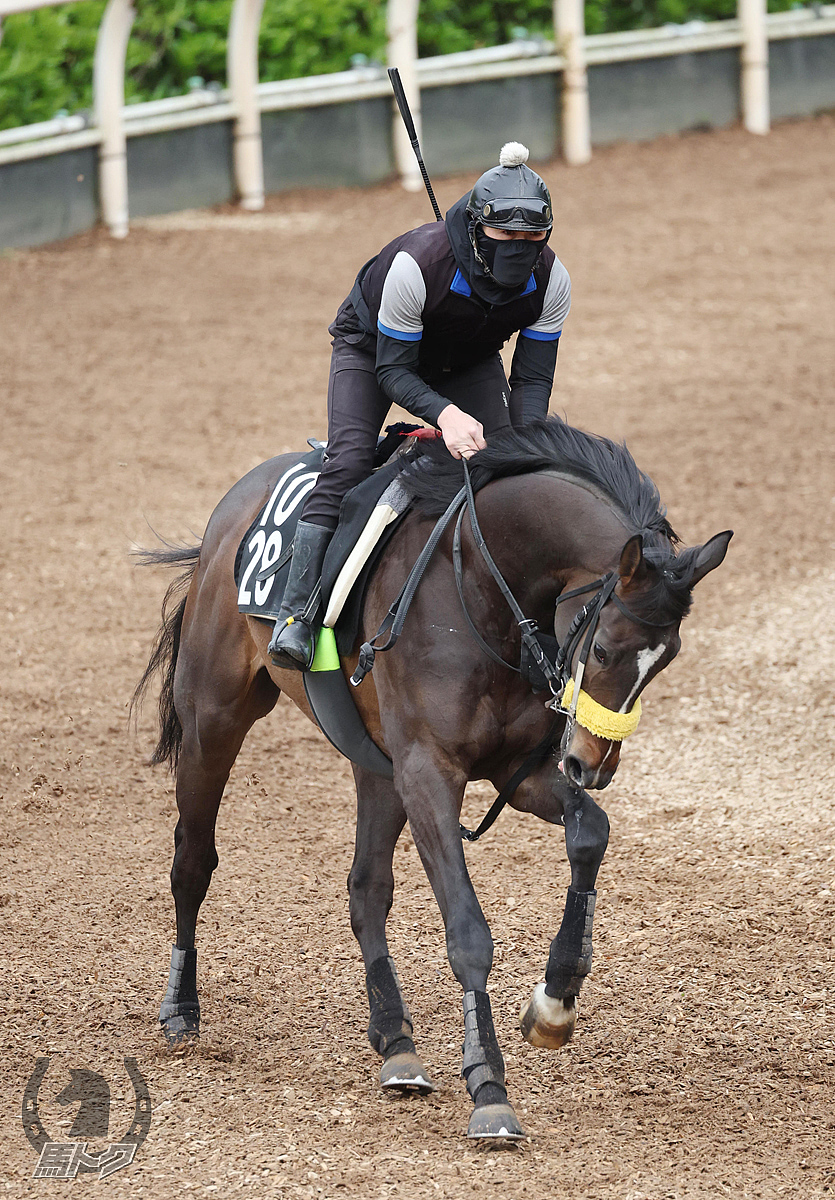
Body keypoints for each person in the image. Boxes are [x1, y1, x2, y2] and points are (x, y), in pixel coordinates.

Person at [269, 141, 571, 670]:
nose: (520, 247)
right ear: (478, 227)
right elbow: (393, 372)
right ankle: (297, 615)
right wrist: (446, 415)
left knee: (509, 465)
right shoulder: (416, 265)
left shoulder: (554, 279)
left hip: (467, 359)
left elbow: (532, 378)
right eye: (505, 234)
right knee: (350, 462)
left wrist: (527, 451)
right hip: (374, 350)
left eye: (533, 236)